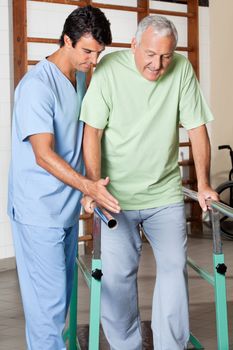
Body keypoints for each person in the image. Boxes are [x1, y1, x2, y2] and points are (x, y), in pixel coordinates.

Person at [80, 15, 219, 350]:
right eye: (151, 55)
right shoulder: (110, 69)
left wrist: (203, 183)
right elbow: (93, 132)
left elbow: (197, 128)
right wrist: (96, 186)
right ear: (133, 45)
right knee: (117, 278)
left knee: (173, 271)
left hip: (165, 193)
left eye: (166, 56)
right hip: (117, 197)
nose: (158, 65)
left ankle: (171, 345)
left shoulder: (182, 69)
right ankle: (126, 345)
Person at [8, 6, 120, 350]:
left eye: (99, 53)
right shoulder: (36, 86)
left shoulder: (83, 79)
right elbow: (43, 154)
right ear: (66, 40)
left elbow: (86, 137)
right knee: (49, 312)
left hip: (67, 210)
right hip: (38, 212)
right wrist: (88, 186)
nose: (93, 60)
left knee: (62, 303)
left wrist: (90, 184)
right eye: (87, 51)